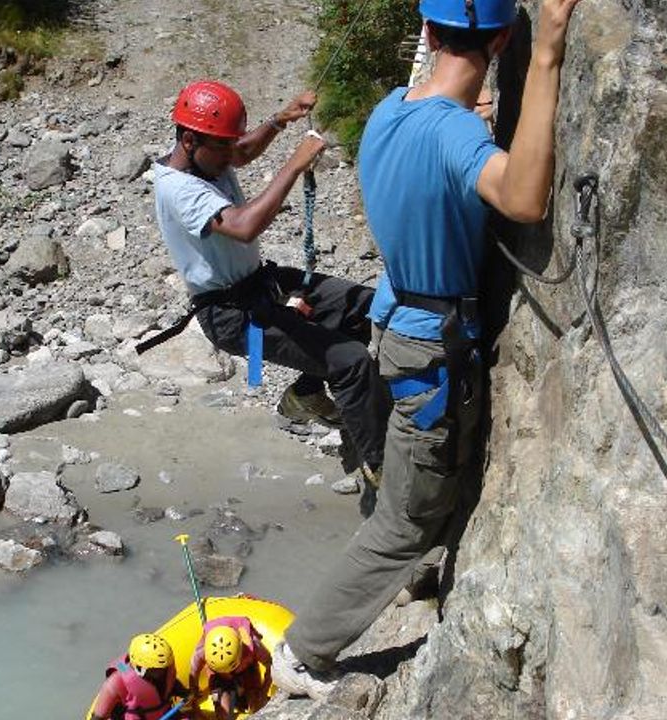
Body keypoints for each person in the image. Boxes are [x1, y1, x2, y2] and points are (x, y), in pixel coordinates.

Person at [272, 0, 583, 699]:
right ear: (502, 39)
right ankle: (304, 651)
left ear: (431, 32)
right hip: (427, 352)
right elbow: (526, 199)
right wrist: (548, 54)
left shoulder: (391, 110)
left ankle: (404, 577)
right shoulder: (456, 139)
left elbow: (440, 131)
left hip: (395, 327)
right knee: (407, 522)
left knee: (417, 483)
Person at [150, 79, 390, 488]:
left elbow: (241, 152)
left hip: (262, 285)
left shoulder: (210, 158)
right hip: (231, 314)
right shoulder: (177, 189)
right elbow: (243, 227)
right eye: (222, 147)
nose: (232, 154)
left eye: (231, 144)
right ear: (189, 140)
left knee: (366, 305)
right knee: (351, 362)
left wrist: (280, 120)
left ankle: (306, 395)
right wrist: (294, 164)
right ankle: (382, 465)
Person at [90, 633, 188, 720]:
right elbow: (98, 717)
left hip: (165, 714)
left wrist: (185, 694)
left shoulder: (164, 671)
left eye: (164, 668)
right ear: (140, 667)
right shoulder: (115, 682)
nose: (162, 672)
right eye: (156, 670)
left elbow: (171, 684)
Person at [189, 617, 273, 719]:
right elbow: (193, 674)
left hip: (246, 670)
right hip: (218, 676)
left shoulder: (252, 643)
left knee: (258, 707)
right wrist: (195, 703)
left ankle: (247, 696)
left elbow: (270, 665)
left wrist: (263, 692)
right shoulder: (202, 651)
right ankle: (230, 699)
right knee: (223, 716)